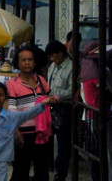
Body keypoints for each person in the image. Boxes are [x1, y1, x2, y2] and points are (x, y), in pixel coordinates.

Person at [0, 81, 58, 181]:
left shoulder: (11, 117)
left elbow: (27, 114)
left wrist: (41, 104)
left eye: (1, 95)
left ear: (6, 97)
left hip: (1, 160)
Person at [6, 45, 52, 181]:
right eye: (24, 60)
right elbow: (12, 111)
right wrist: (16, 132)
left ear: (34, 62)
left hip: (41, 133)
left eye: (30, 60)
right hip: (23, 136)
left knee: (42, 172)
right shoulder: (12, 84)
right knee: (20, 172)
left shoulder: (41, 81)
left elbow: (49, 98)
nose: (27, 63)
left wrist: (53, 99)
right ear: (18, 63)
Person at [45, 40, 73, 181]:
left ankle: (60, 174)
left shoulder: (71, 67)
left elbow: (72, 91)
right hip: (50, 106)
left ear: (60, 54)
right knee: (45, 139)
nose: (51, 59)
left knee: (63, 143)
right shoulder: (53, 66)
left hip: (64, 107)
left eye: (53, 56)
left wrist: (57, 96)